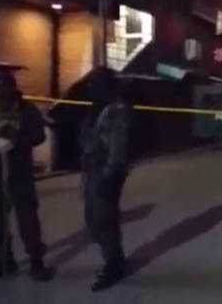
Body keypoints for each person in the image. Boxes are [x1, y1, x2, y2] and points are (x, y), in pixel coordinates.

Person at [0, 73, 52, 281]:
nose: (0, 94)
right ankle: (4, 260)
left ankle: (36, 262)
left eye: (4, 88)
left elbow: (39, 135)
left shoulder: (26, 109)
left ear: (13, 89)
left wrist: (15, 143)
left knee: (27, 219)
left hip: (20, 172)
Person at [80, 68, 130, 291]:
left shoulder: (116, 110)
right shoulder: (98, 107)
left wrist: (109, 175)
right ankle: (114, 258)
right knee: (93, 218)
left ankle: (114, 264)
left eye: (95, 84)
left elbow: (118, 147)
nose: (91, 88)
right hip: (93, 170)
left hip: (106, 172)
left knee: (104, 219)